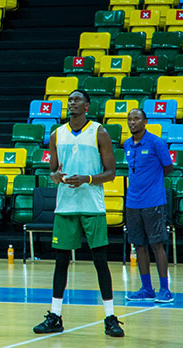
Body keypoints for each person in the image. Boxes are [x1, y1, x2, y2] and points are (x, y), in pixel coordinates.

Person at [32, 90, 124, 337]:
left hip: (92, 205)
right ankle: (55, 315)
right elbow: (52, 172)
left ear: (87, 106)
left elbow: (111, 173)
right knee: (61, 262)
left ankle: (110, 316)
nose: (71, 103)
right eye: (69, 100)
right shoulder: (56, 134)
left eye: (77, 100)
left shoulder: (99, 132)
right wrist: (56, 177)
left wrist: (87, 179)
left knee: (100, 262)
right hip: (65, 206)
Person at [122, 108, 173, 303]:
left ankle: (165, 290)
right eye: (129, 119)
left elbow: (168, 167)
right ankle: (146, 288)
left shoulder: (156, 142)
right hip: (132, 202)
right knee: (139, 245)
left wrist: (154, 184)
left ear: (145, 122)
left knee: (157, 245)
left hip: (153, 201)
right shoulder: (127, 144)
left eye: (136, 119)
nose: (132, 122)